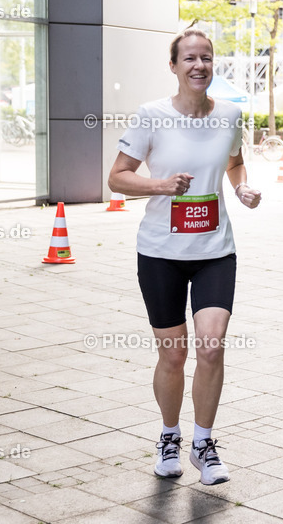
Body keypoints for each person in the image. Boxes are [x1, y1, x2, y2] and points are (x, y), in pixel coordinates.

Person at [108, 28, 261, 485]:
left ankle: (204, 443)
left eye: (207, 58)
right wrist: (160, 185)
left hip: (215, 249)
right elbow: (117, 178)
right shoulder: (150, 116)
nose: (200, 65)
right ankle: (169, 436)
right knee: (173, 356)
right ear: (173, 66)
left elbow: (233, 161)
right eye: (190, 58)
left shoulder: (230, 114)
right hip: (160, 252)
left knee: (211, 347)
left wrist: (241, 187)